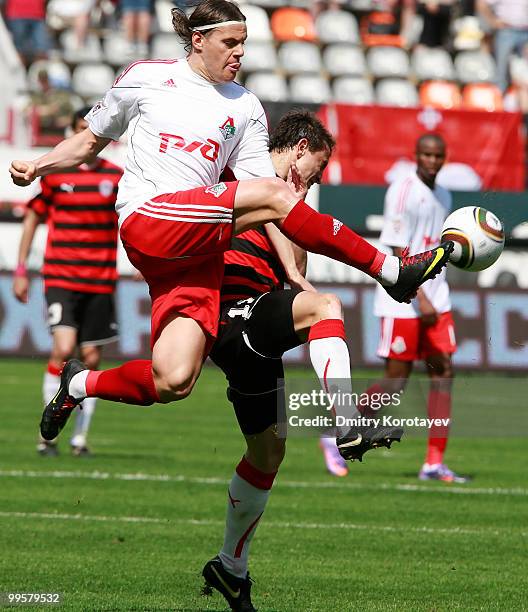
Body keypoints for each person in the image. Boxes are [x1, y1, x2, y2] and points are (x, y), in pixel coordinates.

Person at [9, 0, 452, 468]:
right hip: (150, 218)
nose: (239, 52)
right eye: (230, 42)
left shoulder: (246, 107)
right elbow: (87, 142)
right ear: (198, 40)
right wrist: (37, 165)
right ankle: (391, 271)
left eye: (244, 43)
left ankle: (77, 384)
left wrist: (293, 275)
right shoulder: (146, 76)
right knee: (282, 197)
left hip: (195, 251)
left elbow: (272, 207)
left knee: (174, 379)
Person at [201, 110, 392, 611]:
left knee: (268, 455)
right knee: (326, 306)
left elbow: (294, 271)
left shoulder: (289, 198)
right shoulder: (243, 166)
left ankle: (229, 567)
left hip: (259, 316)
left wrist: (296, 225)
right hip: (230, 305)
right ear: (301, 146)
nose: (316, 179)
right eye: (318, 167)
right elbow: (266, 218)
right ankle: (347, 423)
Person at [12, 107, 123, 457]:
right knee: (63, 350)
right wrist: (20, 269)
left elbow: (130, 220)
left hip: (101, 279)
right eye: (80, 130)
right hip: (61, 274)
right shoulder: (56, 176)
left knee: (90, 357)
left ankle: (80, 438)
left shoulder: (116, 177)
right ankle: (48, 436)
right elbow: (33, 216)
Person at [370, 133, 468, 483]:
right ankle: (339, 429)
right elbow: (397, 248)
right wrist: (420, 296)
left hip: (437, 298)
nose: (432, 160)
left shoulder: (443, 194)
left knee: (444, 373)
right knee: (396, 382)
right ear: (416, 155)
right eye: (426, 154)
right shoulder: (402, 189)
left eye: (438, 155)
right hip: (404, 300)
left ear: (444, 158)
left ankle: (433, 462)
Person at [477, 0, 528, 92]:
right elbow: (482, 3)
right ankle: (500, 95)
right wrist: (492, 21)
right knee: (501, 69)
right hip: (507, 31)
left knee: (523, 71)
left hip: (525, 31)